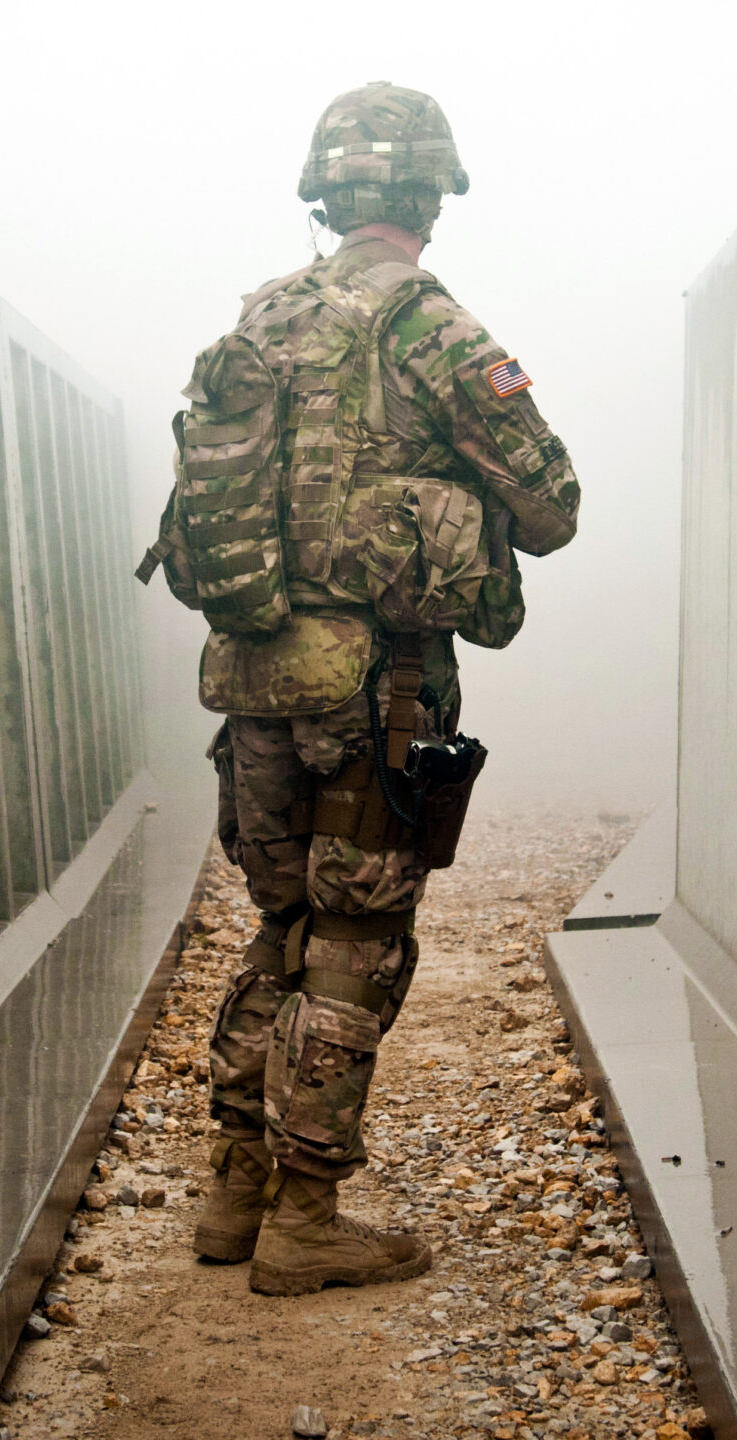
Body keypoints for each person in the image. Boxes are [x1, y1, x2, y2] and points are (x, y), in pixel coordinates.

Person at [137, 81, 582, 1296]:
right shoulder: (428, 327)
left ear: (324, 196)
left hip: (250, 683)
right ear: (433, 197)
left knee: (279, 927)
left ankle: (233, 1196)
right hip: (374, 696)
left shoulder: (267, 316)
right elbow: (553, 508)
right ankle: (307, 1219)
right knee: (356, 946)